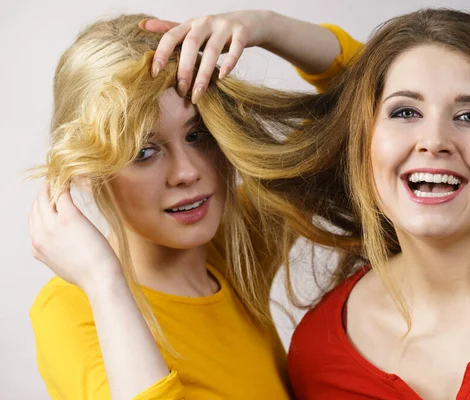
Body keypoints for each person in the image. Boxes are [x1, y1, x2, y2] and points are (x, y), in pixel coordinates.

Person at [192, 8, 470, 399]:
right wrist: (263, 22)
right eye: (405, 111)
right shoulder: (321, 349)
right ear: (365, 148)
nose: (435, 140)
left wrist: (268, 24)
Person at [29, 11, 361, 400]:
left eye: (198, 135)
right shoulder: (71, 310)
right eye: (144, 151)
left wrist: (268, 27)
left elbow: (370, 96)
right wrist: (106, 282)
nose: (186, 173)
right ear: (85, 170)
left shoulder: (235, 247)